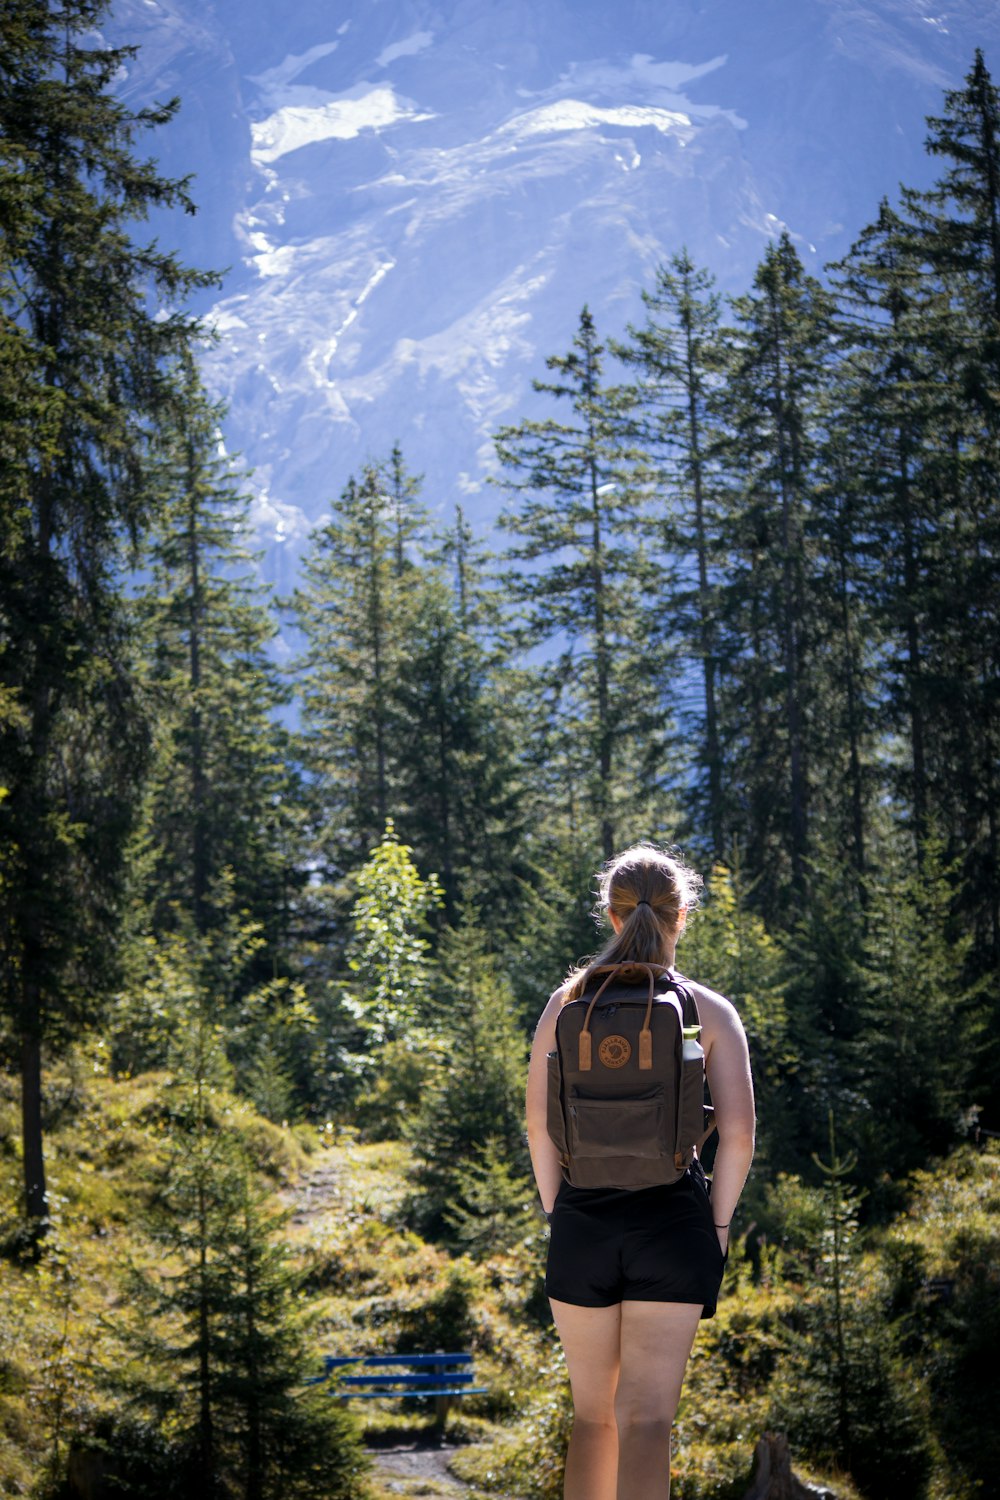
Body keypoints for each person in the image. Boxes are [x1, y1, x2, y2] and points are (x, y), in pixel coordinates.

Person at [526, 843, 755, 1500]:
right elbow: (738, 1136)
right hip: (672, 1220)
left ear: (610, 914)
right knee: (648, 1419)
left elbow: (540, 1127)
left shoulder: (565, 1006)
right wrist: (715, 1228)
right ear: (682, 915)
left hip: (582, 1222)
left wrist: (560, 1211)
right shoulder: (708, 1011)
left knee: (593, 1417)